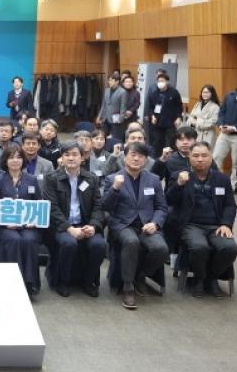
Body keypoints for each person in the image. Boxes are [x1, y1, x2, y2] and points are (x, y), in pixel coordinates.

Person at [102, 142, 169, 310]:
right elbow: (106, 207)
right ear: (125, 157)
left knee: (161, 249)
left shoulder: (153, 179)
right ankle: (128, 287)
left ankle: (140, 275)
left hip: (147, 225)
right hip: (122, 224)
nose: (136, 158)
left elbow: (161, 207)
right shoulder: (112, 178)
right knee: (132, 242)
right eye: (133, 155)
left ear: (145, 160)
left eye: (141, 156)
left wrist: (155, 223)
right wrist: (115, 189)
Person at [166, 142, 237, 298]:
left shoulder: (222, 179)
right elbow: (169, 201)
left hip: (216, 226)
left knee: (230, 247)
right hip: (190, 225)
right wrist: (179, 184)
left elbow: (230, 205)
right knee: (199, 247)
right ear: (189, 158)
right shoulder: (179, 176)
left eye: (204, 155)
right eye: (196, 156)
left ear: (211, 158)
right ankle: (199, 279)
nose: (200, 159)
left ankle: (210, 278)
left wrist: (226, 224)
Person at [44, 142, 106, 297]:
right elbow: (52, 208)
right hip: (62, 226)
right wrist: (69, 228)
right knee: (69, 243)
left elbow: (98, 206)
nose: (71, 158)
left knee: (99, 245)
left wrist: (93, 226)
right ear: (61, 158)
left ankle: (88, 280)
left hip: (85, 224)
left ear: (82, 158)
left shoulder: (91, 178)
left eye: (74, 154)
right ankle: (63, 281)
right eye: (67, 155)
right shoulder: (52, 178)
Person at [0, 144, 43, 296]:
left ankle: (30, 283)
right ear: (5, 160)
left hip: (27, 225)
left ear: (23, 160)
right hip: (3, 225)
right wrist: (4, 222)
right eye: (11, 157)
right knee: (14, 240)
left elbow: (39, 204)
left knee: (29, 240)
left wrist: (34, 220)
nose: (15, 161)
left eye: (18, 157)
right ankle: (14, 282)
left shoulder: (32, 180)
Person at [146, 73, 183, 156]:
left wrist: (179, 117)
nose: (160, 83)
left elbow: (179, 107)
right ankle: (158, 158)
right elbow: (151, 107)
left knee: (170, 142)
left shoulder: (174, 92)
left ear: (167, 82)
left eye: (162, 81)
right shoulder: (154, 93)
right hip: (158, 122)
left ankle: (170, 158)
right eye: (159, 81)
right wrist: (152, 116)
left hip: (170, 122)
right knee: (158, 142)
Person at [213, 86, 237, 189]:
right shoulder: (229, 96)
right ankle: (214, 182)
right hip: (224, 134)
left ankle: (233, 186)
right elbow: (221, 113)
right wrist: (221, 125)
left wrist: (234, 128)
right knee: (216, 157)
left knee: (236, 163)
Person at [96, 74, 128, 140]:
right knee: (103, 136)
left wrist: (120, 119)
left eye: (111, 80)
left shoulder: (123, 92)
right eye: (109, 80)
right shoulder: (107, 90)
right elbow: (103, 105)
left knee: (114, 138)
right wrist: (99, 116)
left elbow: (123, 107)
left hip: (115, 119)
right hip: (105, 118)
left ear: (117, 81)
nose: (109, 82)